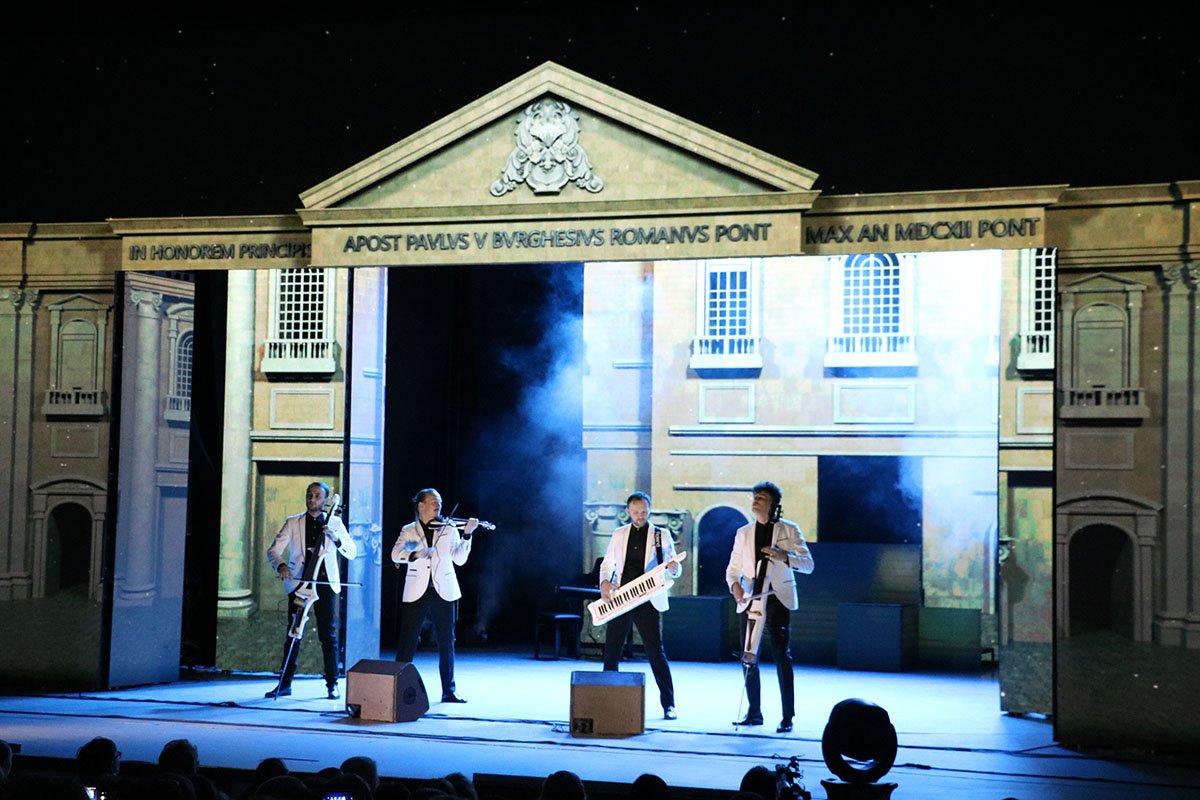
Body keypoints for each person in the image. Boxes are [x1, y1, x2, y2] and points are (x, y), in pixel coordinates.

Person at [726, 481, 814, 733]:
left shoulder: (789, 529)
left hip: (776, 597)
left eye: (761, 498)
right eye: (755, 497)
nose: (756, 501)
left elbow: (808, 564)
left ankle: (787, 716)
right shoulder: (743, 533)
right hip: (750, 597)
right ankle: (754, 712)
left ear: (773, 504)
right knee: (748, 656)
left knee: (781, 655)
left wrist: (783, 556)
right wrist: (735, 587)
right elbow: (732, 569)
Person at [266, 481, 358, 699]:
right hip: (300, 583)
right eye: (309, 494)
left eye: (317, 495)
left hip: (325, 585)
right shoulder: (293, 522)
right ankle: (285, 683)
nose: (312, 499)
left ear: (325, 500)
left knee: (328, 635)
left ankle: (332, 684)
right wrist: (281, 566)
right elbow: (273, 551)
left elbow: (351, 552)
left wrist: (335, 538)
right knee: (294, 633)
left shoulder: (335, 522)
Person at [599, 491, 681, 720]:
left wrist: (674, 569)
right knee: (612, 650)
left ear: (649, 510)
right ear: (628, 512)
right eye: (635, 512)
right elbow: (607, 563)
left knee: (655, 651)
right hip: (622, 597)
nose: (640, 516)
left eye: (644, 511)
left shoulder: (661, 535)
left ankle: (669, 704)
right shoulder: (619, 534)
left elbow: (673, 564)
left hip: (647, 598)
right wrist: (604, 583)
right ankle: (605, 700)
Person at [391, 488, 476, 703]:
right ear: (421, 506)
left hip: (444, 590)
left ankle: (449, 690)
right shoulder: (409, 530)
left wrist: (467, 535)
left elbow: (460, 560)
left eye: (440, 501)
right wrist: (416, 554)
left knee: (447, 642)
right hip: (416, 591)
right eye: (433, 501)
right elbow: (396, 554)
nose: (439, 505)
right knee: (407, 641)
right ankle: (396, 688)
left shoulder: (449, 529)